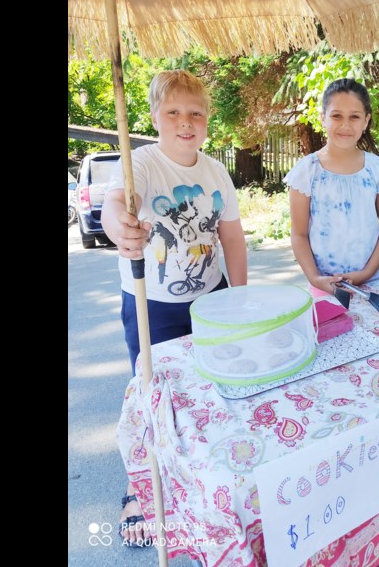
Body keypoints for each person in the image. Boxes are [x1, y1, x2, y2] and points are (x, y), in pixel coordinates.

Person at [102, 69, 247, 547]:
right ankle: (141, 490)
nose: (186, 122)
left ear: (207, 121)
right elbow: (119, 200)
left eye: (196, 113)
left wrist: (240, 299)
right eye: (173, 112)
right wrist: (118, 225)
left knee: (209, 390)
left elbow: (231, 236)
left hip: (212, 298)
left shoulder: (215, 170)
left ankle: (203, 474)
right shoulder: (139, 161)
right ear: (154, 117)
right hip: (153, 305)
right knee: (152, 395)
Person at [285, 78, 379, 295]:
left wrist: (366, 273)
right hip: (326, 286)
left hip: (374, 283)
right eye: (336, 116)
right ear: (323, 118)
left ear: (365, 121)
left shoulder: (376, 169)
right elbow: (299, 234)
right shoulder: (306, 171)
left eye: (354, 117)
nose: (345, 125)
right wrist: (315, 278)